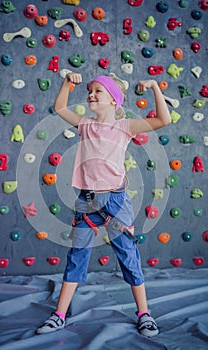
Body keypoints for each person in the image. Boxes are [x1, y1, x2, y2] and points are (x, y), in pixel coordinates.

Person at [36, 73, 171, 337]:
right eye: (89, 90)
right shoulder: (85, 124)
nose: (91, 95)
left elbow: (164, 120)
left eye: (98, 90)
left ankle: (144, 314)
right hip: (86, 201)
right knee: (76, 257)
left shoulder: (125, 127)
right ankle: (59, 314)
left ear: (113, 100)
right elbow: (60, 108)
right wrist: (67, 83)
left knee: (128, 257)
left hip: (116, 202)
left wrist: (155, 86)